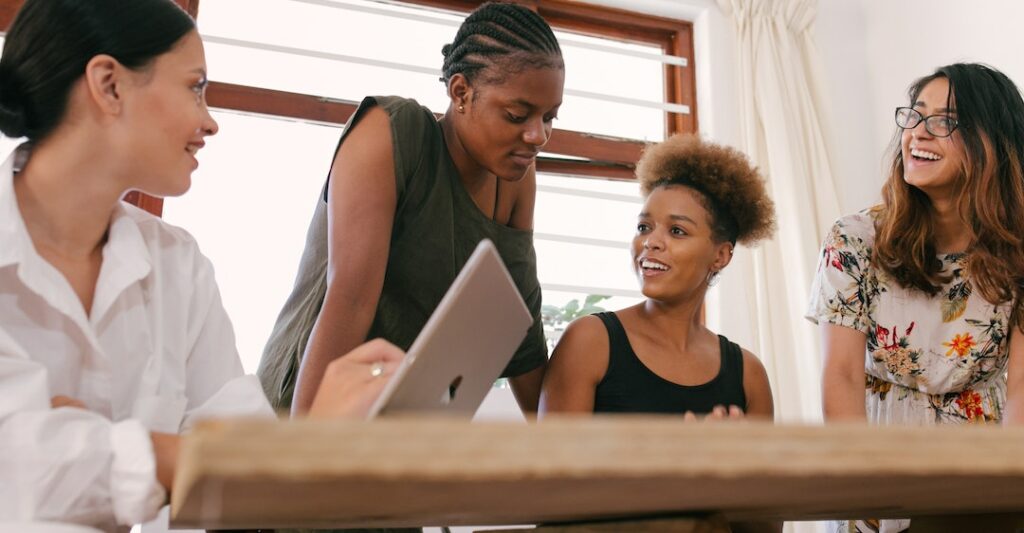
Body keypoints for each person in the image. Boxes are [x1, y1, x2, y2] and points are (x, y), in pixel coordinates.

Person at [0, 1, 403, 531]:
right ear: (109, 85)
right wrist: (186, 458)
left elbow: (240, 470)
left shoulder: (178, 264)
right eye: (195, 87)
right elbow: (23, 464)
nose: (209, 121)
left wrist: (296, 450)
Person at [257, 1, 564, 416]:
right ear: (461, 92)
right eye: (517, 114)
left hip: (405, 419)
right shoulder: (391, 130)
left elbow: (522, 329)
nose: (538, 135)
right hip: (307, 407)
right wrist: (307, 448)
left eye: (550, 117)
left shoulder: (516, 177)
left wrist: (567, 446)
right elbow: (350, 299)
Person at [807, 63, 1024, 532]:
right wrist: (865, 487)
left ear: (994, 142)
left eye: (945, 122)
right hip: (874, 455)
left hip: (981, 471)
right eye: (914, 116)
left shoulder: (1019, 251)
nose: (918, 134)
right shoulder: (855, 239)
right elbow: (839, 375)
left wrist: (1009, 486)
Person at [539, 134, 776, 420]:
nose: (651, 241)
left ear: (721, 256)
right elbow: (551, 463)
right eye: (644, 227)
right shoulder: (590, 342)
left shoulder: (749, 376)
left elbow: (762, 467)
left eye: (677, 231)